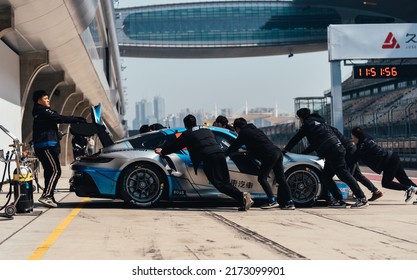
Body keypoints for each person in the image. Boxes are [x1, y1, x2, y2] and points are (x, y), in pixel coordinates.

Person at [155, 114, 252, 211]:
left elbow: (175, 146)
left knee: (219, 183)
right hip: (220, 154)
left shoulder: (187, 134)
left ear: (185, 125)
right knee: (224, 182)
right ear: (195, 122)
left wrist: (162, 151)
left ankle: (242, 196)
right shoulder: (207, 130)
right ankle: (242, 200)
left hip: (209, 157)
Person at [283, 108, 368, 208]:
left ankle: (362, 198)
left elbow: (296, 138)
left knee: (344, 174)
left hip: (333, 151)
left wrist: (286, 149)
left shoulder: (307, 124)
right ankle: (339, 200)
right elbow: (315, 143)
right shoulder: (320, 123)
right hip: (334, 150)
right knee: (326, 177)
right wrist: (304, 153)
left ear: (301, 118)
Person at [303, 113, 382, 202]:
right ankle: (374, 191)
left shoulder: (323, 129)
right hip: (349, 148)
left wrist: (303, 153)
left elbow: (316, 145)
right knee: (356, 175)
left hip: (346, 150)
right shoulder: (325, 127)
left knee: (346, 175)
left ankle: (358, 196)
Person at [32, 90, 86, 207]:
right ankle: (46, 196)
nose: (48, 100)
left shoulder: (40, 112)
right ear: (39, 101)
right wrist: (76, 118)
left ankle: (49, 196)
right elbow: (59, 118)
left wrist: (57, 135)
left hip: (44, 145)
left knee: (49, 171)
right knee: (56, 170)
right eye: (46, 99)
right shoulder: (43, 110)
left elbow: (45, 128)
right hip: (46, 146)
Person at [226, 117, 295, 210]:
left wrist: (225, 153)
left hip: (269, 155)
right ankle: (290, 203)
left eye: (236, 130)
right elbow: (258, 144)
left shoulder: (243, 133)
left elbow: (234, 146)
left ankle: (272, 200)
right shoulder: (255, 130)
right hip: (277, 152)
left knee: (262, 178)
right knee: (281, 179)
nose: (236, 132)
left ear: (238, 128)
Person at [350, 126, 417, 203]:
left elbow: (354, 158)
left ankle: (409, 188)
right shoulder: (366, 138)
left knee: (386, 183)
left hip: (389, 161)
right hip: (392, 157)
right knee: (404, 179)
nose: (352, 139)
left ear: (356, 136)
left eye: (353, 136)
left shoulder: (363, 146)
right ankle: (410, 188)